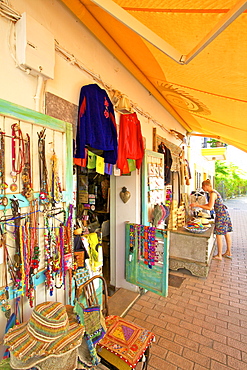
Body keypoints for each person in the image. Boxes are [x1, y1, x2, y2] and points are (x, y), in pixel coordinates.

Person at [190, 179, 232, 260]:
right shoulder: (214, 192)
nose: (203, 189)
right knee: (226, 233)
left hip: (221, 215)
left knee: (219, 235)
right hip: (224, 213)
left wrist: (198, 205)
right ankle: (228, 252)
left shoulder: (212, 194)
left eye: (203, 187)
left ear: (206, 186)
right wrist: (198, 204)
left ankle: (219, 255)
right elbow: (209, 204)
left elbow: (209, 207)